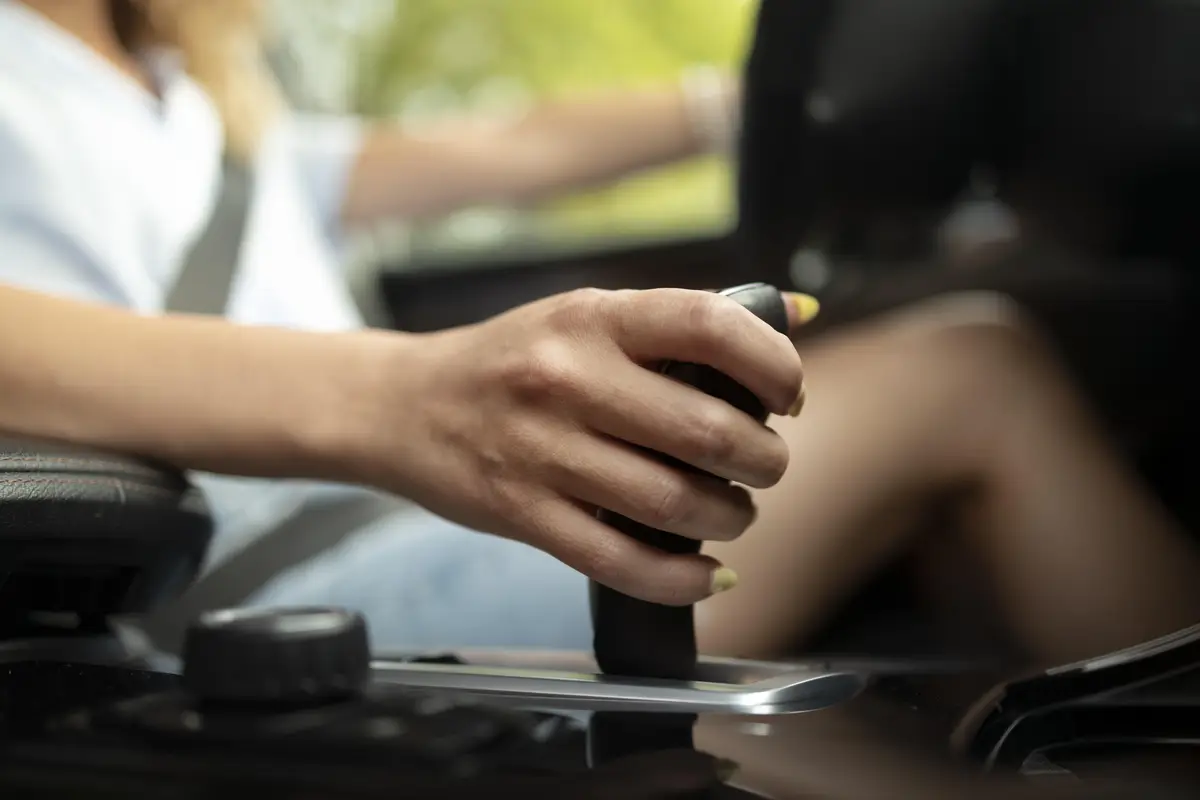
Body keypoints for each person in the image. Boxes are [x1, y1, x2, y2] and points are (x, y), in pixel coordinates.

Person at [1, 0, 1197, 667]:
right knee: (977, 368)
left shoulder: (201, 110)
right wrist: (406, 396)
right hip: (234, 605)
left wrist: (757, 99)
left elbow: (507, 146)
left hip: (381, 538)